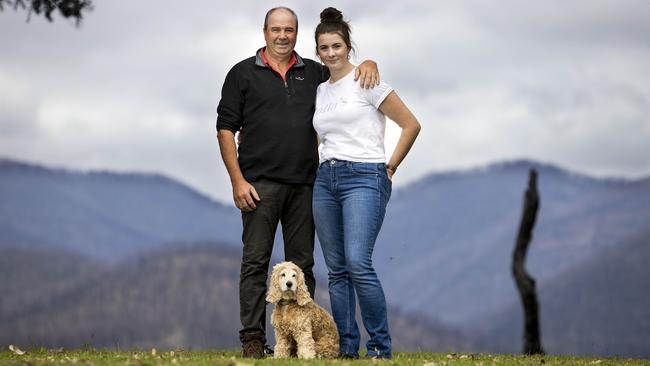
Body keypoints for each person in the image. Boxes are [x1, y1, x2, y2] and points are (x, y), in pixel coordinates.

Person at [215, 7, 380, 359]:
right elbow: (225, 128)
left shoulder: (315, 72)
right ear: (264, 32)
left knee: (302, 266)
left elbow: (344, 72)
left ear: (296, 33)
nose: (282, 36)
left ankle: (297, 344)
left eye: (289, 29)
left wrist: (370, 63)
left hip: (307, 184)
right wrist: (237, 181)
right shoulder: (242, 74)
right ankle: (253, 340)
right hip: (257, 184)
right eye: (276, 29)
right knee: (256, 262)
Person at [311, 7, 421, 359]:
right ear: (318, 51)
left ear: (348, 46)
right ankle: (347, 348)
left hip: (365, 177)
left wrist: (389, 168)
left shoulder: (367, 80)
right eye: (324, 47)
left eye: (337, 46)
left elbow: (411, 125)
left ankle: (379, 348)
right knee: (337, 270)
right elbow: (319, 137)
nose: (331, 53)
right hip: (325, 181)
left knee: (359, 263)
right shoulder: (320, 91)